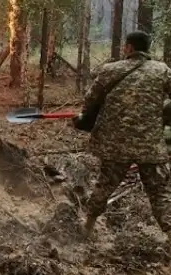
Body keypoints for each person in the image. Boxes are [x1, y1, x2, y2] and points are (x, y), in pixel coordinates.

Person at [73, 31, 171, 243]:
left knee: (104, 186)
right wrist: (163, 114)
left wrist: (83, 118)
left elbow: (90, 101)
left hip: (115, 146)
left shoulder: (110, 70)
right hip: (150, 146)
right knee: (160, 194)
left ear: (129, 48)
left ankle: (86, 230)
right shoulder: (162, 71)